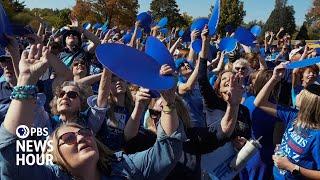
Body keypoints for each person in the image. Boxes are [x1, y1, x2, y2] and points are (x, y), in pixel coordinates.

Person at [0, 44, 186, 180]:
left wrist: (169, 103)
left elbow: (167, 153)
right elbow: (9, 154)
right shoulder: (49, 175)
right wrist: (25, 80)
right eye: (69, 139)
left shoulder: (125, 169)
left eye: (84, 133)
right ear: (54, 155)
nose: (81, 137)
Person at [254, 63, 320, 180]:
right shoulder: (293, 115)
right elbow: (259, 102)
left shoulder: (317, 135)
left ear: (308, 103)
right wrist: (275, 78)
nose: (298, 94)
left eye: (302, 94)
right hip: (276, 175)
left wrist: (291, 167)